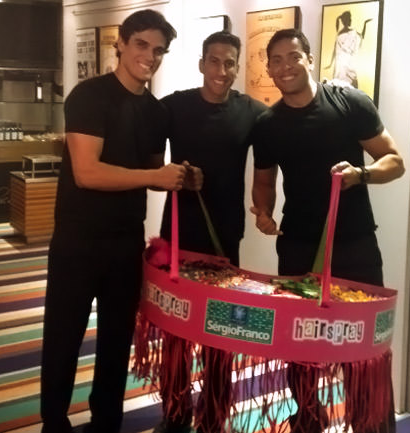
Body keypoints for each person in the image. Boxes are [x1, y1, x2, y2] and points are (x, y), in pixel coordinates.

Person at [40, 10, 201, 433]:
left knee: (116, 342)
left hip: (127, 242)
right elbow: (87, 173)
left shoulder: (156, 113)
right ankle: (53, 423)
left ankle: (106, 421)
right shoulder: (90, 96)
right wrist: (154, 176)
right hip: (78, 240)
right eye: (141, 45)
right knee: (63, 339)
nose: (150, 56)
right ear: (121, 44)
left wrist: (179, 178)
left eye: (159, 50)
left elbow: (151, 173)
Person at [251, 29, 404, 433]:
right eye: (276, 60)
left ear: (310, 59)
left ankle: (372, 426)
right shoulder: (267, 125)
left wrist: (361, 174)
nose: (286, 66)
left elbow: (394, 161)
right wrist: (263, 212)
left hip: (355, 245)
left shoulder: (349, 103)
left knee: (364, 349)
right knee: (299, 344)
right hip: (298, 248)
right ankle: (307, 420)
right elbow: (264, 181)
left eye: (293, 56)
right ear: (269, 68)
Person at [154, 31, 267, 433]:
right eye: (214, 61)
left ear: (238, 67)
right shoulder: (173, 107)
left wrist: (266, 207)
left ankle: (215, 415)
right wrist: (175, 175)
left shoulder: (253, 112)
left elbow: (281, 148)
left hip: (225, 237)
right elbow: (149, 166)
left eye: (230, 63)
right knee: (176, 330)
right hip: (179, 235)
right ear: (202, 64)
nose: (222, 70)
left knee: (221, 330)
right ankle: (175, 413)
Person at [324, 11, 372, 88]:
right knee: (340, 86)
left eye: (350, 19)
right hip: (341, 66)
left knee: (350, 86)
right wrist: (330, 64)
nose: (351, 20)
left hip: (348, 64)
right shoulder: (340, 34)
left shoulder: (352, 32)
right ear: (345, 21)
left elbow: (361, 37)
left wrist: (365, 24)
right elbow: (335, 50)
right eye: (349, 19)